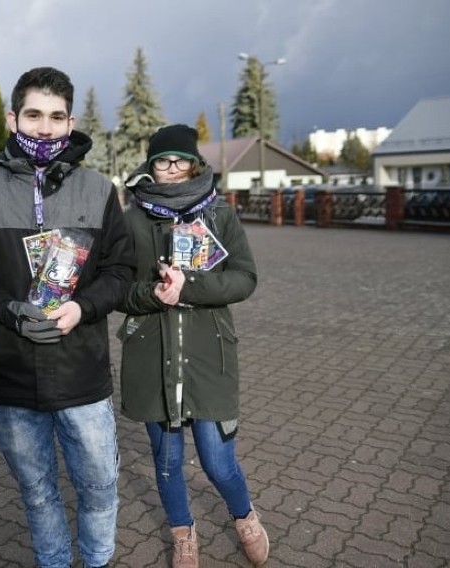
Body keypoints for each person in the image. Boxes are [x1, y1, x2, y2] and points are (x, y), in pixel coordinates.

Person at [0, 67, 135, 568]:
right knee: (38, 493)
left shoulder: (99, 188)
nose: (45, 128)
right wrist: (6, 309)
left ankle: (97, 562)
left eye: (56, 117)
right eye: (34, 115)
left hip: (82, 372)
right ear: (13, 118)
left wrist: (82, 307)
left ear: (70, 123)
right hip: (9, 372)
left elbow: (120, 269)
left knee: (99, 487)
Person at [119, 124, 268, 568]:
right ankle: (184, 535)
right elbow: (117, 290)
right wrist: (152, 294)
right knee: (166, 462)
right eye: (161, 161)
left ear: (195, 164)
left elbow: (245, 278)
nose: (171, 169)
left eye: (180, 160)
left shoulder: (219, 214)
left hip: (210, 356)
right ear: (150, 167)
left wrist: (190, 287)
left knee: (218, 461)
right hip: (151, 356)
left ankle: (244, 517)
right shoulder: (132, 220)